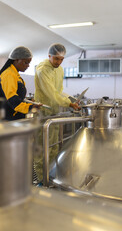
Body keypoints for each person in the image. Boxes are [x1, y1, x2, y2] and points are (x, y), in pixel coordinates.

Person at [33, 43, 80, 182]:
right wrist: (68, 103)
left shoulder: (59, 70)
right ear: (49, 56)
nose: (59, 62)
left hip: (54, 113)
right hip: (42, 112)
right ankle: (42, 181)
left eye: (61, 59)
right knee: (42, 149)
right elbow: (52, 94)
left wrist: (70, 99)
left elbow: (59, 92)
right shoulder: (42, 70)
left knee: (53, 147)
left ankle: (51, 176)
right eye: (56, 59)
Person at [0, 46, 39, 120]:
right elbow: (12, 99)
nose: (28, 66)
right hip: (6, 119)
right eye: (25, 62)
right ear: (16, 60)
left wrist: (30, 103)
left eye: (29, 63)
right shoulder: (8, 74)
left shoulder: (15, 75)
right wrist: (30, 107)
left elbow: (18, 97)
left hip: (13, 117)